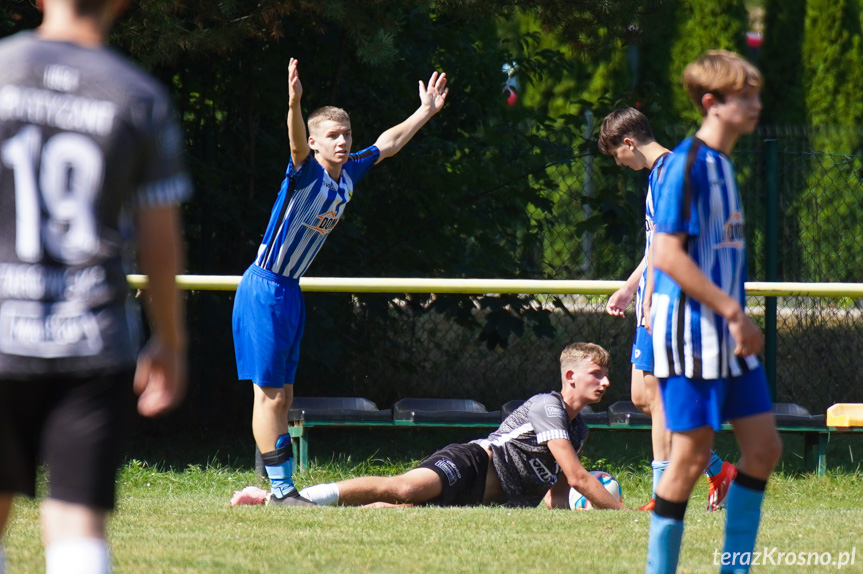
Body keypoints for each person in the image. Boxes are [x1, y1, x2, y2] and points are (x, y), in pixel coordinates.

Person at [0, 0, 191, 572]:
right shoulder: (138, 96)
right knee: (77, 524)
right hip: (93, 340)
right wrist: (172, 342)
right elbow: (159, 242)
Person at [232, 58, 448, 506]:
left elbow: (386, 145)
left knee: (285, 395)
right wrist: (294, 103)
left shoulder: (348, 173)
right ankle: (281, 490)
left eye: (346, 134)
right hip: (265, 287)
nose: (343, 141)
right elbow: (294, 144)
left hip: (290, 290)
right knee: (268, 395)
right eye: (333, 135)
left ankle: (281, 490)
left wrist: (424, 112)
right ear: (315, 143)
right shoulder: (305, 171)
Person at [644, 51, 782, 574]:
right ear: (711, 103)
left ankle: (735, 569)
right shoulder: (685, 165)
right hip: (693, 338)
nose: (755, 105)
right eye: (744, 97)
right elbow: (667, 254)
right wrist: (731, 311)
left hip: (730, 338)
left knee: (764, 449)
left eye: (755, 94)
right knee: (689, 460)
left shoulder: (724, 165)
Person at [598, 107, 737, 512]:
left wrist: (656, 301)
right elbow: (654, 244)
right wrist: (630, 288)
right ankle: (717, 469)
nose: (619, 164)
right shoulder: (660, 174)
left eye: (616, 156)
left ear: (628, 143)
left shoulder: (670, 173)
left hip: (669, 302)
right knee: (642, 396)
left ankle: (665, 496)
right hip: (654, 298)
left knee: (657, 397)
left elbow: (670, 247)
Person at [297, 342, 628, 510]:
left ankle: (326, 506)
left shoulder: (579, 428)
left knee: (395, 511)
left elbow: (558, 490)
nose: (606, 382)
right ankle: (300, 498)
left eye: (605, 374)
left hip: (481, 500)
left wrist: (572, 513)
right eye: (596, 374)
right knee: (403, 489)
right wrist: (622, 513)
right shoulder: (548, 405)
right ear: (570, 376)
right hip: (471, 464)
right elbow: (577, 478)